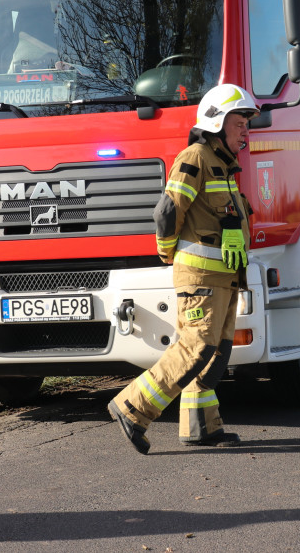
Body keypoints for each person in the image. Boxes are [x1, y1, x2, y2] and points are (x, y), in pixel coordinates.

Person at [108, 83, 259, 454]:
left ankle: (201, 425)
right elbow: (168, 210)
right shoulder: (196, 157)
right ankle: (132, 407)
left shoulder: (223, 165)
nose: (245, 131)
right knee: (196, 347)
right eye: (239, 123)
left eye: (246, 124)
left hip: (224, 277)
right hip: (201, 277)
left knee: (215, 353)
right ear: (217, 123)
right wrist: (166, 251)